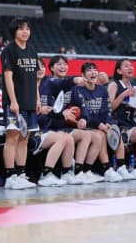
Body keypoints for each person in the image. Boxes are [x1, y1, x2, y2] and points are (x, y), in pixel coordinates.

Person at [71, 62, 134, 182]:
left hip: (100, 123)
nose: (93, 72)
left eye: (95, 70)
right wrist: (100, 125)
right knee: (101, 135)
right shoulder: (77, 90)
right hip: (85, 124)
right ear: (82, 75)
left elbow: (106, 110)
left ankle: (121, 167)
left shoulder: (102, 90)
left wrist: (108, 123)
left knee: (114, 129)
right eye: (89, 70)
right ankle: (107, 169)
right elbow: (86, 111)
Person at [45, 55, 104, 184]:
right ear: (51, 68)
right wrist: (62, 112)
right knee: (86, 136)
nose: (62, 66)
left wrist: (83, 118)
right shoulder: (49, 83)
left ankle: (85, 170)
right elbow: (51, 107)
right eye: (59, 64)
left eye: (65, 64)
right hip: (52, 126)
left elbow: (83, 105)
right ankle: (76, 172)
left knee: (97, 137)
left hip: (66, 126)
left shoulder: (73, 88)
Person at [1, 17, 40, 190]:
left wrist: (37, 98)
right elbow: (8, 76)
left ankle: (20, 173)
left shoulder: (32, 49)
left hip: (30, 101)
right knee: (13, 137)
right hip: (15, 103)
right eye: (21, 28)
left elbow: (34, 78)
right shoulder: (9, 50)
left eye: (27, 28)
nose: (25, 31)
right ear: (14, 32)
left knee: (25, 138)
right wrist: (13, 101)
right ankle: (10, 176)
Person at [34, 58, 77, 186]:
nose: (40, 69)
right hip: (31, 131)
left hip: (44, 129)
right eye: (37, 67)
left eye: (42, 66)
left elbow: (50, 110)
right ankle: (46, 174)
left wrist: (60, 113)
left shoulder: (47, 85)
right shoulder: (25, 87)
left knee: (68, 138)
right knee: (61, 138)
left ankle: (67, 172)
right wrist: (39, 111)